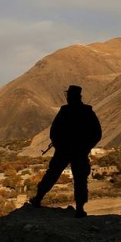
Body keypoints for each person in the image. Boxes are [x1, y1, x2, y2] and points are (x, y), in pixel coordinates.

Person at [28, 85, 102, 218]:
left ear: (70, 97)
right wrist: (86, 147)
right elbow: (97, 134)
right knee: (80, 179)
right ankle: (80, 209)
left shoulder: (65, 111)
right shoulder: (87, 112)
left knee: (52, 174)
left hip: (64, 151)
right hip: (80, 152)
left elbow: (54, 131)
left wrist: (59, 145)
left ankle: (38, 198)